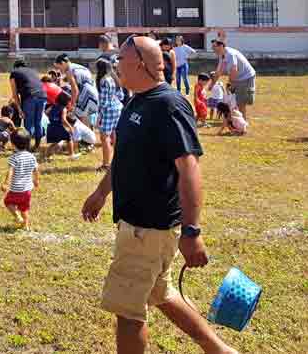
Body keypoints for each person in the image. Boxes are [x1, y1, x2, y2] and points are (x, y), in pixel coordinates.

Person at [81, 36, 237, 354]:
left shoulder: (168, 105)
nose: (116, 66)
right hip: (137, 225)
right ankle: (219, 350)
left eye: (120, 60)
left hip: (150, 227)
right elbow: (124, 156)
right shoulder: (136, 100)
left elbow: (189, 168)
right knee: (160, 293)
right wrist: (101, 192)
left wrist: (192, 231)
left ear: (139, 64)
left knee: (128, 312)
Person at [2, 129, 39, 231]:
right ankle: (26, 225)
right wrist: (36, 180)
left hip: (16, 189)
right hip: (27, 190)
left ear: (13, 144)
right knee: (24, 208)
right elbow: (36, 169)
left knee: (8, 202)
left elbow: (10, 172)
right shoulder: (32, 157)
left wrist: (6, 183)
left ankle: (17, 217)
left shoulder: (14, 158)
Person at [212, 39, 256, 120]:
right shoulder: (222, 55)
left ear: (221, 46)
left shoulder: (230, 55)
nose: (213, 49)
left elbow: (234, 71)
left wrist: (231, 84)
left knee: (241, 102)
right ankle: (235, 120)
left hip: (245, 77)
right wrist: (212, 84)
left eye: (214, 47)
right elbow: (219, 71)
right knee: (234, 100)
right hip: (237, 78)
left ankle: (242, 124)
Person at [10, 59, 48, 151]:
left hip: (30, 97)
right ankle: (37, 146)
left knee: (28, 124)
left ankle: (26, 148)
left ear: (15, 67)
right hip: (42, 96)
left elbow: (15, 94)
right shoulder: (33, 71)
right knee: (38, 122)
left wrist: (19, 109)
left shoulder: (14, 73)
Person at [96, 58, 123, 172]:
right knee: (114, 134)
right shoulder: (113, 78)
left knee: (104, 137)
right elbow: (120, 95)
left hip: (108, 110)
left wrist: (99, 115)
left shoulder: (103, 81)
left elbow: (104, 102)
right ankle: (118, 161)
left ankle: (106, 164)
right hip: (117, 107)